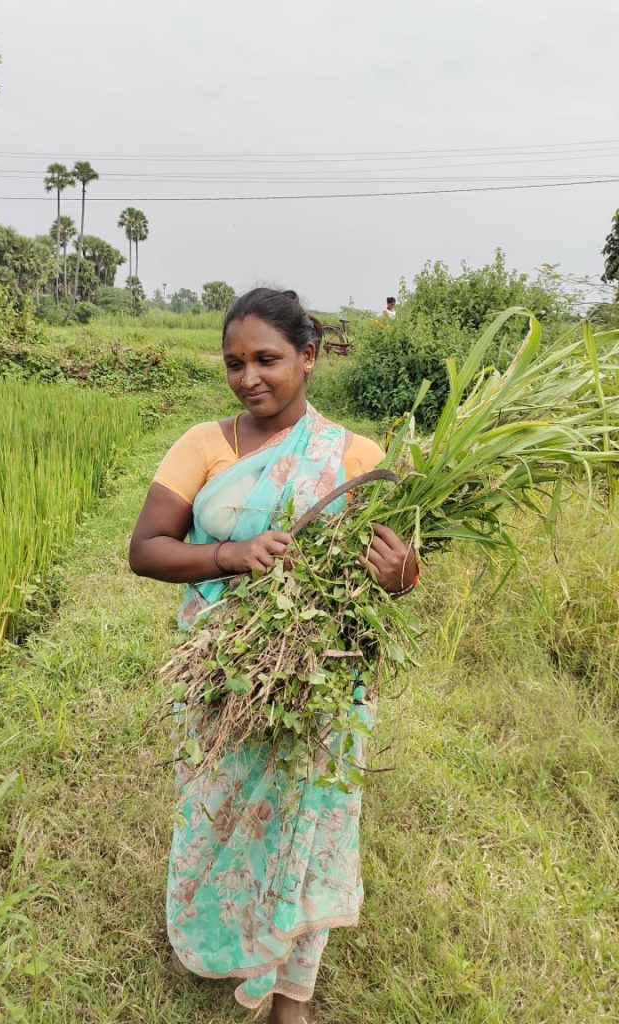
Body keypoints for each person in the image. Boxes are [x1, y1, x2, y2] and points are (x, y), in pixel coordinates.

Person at [129, 288, 418, 1023]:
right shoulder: (204, 444)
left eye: (268, 359)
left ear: (308, 357)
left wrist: (401, 573)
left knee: (307, 821)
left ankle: (290, 991)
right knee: (217, 813)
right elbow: (146, 549)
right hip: (222, 675)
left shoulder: (356, 456)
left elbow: (391, 574)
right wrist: (231, 551)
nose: (249, 377)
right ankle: (226, 938)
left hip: (319, 679)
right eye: (234, 363)